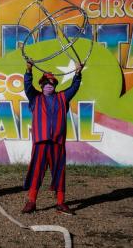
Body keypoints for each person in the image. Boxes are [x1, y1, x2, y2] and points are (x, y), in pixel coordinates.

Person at [21, 60, 84, 215]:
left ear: (55, 86)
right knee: (37, 171)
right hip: (41, 143)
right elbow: (27, 86)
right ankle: (31, 202)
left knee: (59, 172)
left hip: (57, 143)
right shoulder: (35, 98)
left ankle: (61, 203)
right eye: (46, 83)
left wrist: (77, 73)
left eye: (52, 84)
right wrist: (29, 70)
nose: (49, 86)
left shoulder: (63, 98)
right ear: (41, 85)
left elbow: (74, 87)